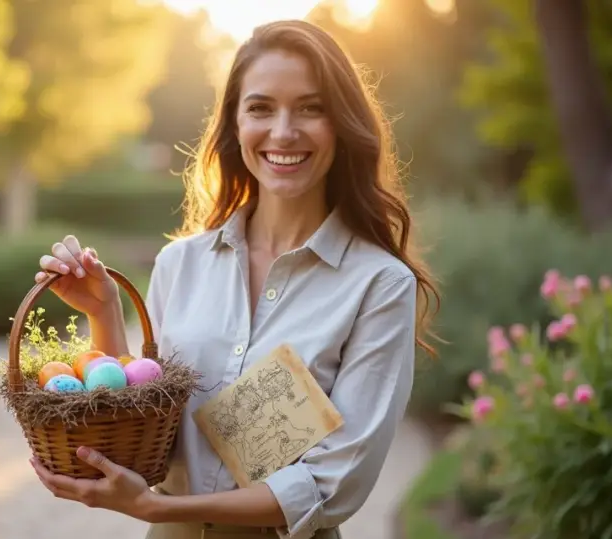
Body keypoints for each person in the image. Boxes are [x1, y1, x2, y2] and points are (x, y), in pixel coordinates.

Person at [29, 18, 440, 539]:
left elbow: (335, 485)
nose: (284, 131)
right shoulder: (182, 265)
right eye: (261, 108)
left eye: (311, 108)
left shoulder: (377, 285)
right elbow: (146, 426)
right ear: (235, 124)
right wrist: (103, 313)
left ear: (341, 124)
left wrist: (159, 510)